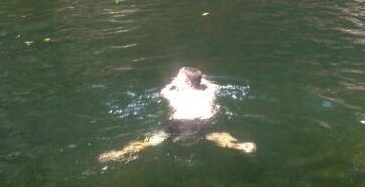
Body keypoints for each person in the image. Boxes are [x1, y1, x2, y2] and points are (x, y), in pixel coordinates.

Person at [98, 67, 255, 162]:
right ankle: (239, 145)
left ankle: (122, 153)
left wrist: (172, 84)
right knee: (216, 135)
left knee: (154, 140)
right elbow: (213, 85)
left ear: (186, 83)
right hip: (205, 121)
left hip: (181, 123)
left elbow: (163, 92)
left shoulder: (173, 93)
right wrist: (200, 80)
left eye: (178, 78)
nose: (175, 79)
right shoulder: (210, 91)